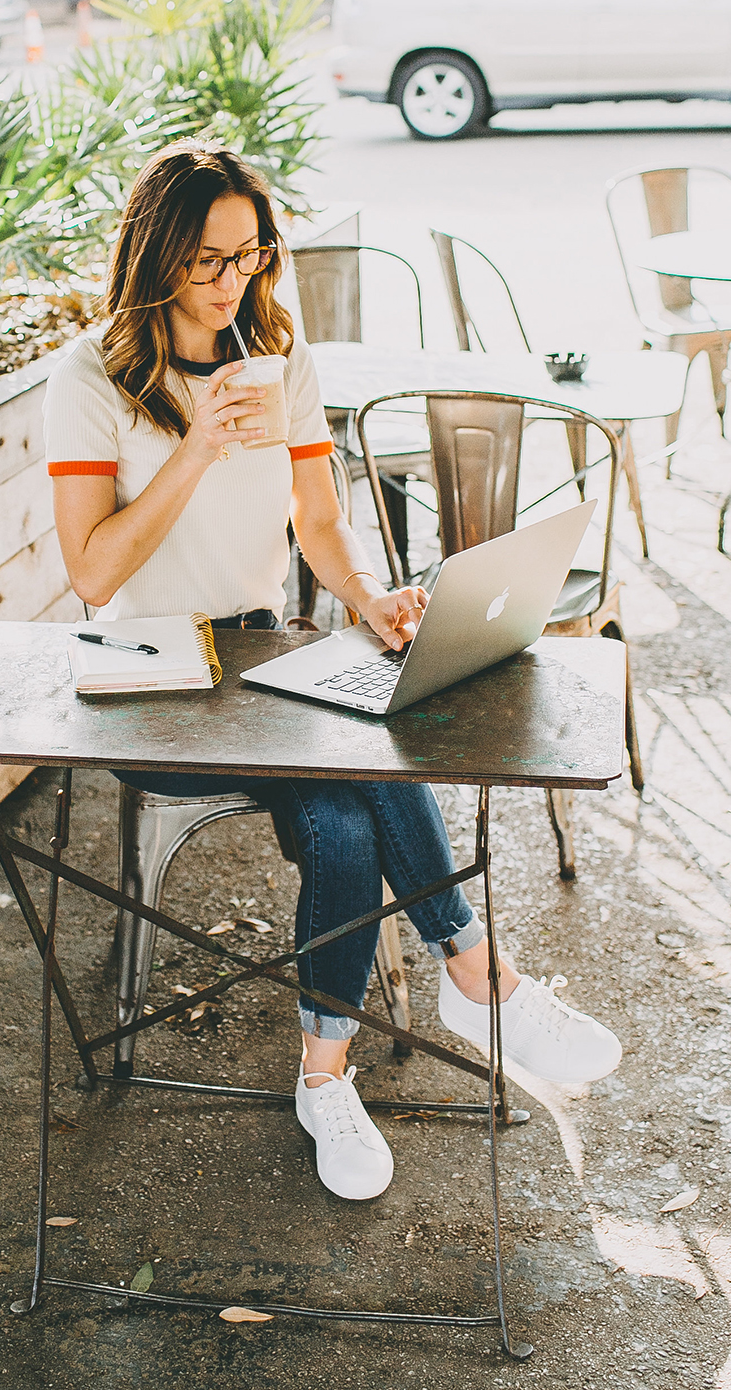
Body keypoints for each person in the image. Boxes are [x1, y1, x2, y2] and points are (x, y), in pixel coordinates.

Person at [45, 139, 621, 1202]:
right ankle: (469, 970)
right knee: (358, 785)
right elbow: (91, 573)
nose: (230, 283)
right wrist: (196, 449)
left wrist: (368, 597)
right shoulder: (93, 377)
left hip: (265, 651)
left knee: (354, 811)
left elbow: (317, 516)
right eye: (206, 260)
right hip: (157, 679)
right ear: (156, 253)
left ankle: (327, 1070)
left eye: (249, 256)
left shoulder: (276, 352)